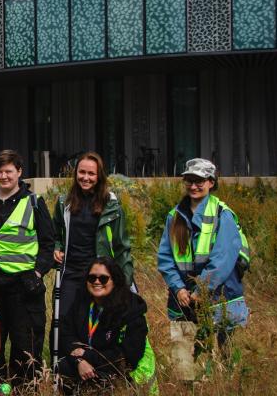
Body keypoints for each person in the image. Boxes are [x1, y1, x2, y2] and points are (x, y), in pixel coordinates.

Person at [157, 158, 250, 382]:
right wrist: (178, 288)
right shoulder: (174, 216)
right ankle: (189, 387)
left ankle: (223, 387)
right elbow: (165, 257)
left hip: (219, 294)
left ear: (211, 182)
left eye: (200, 180)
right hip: (183, 297)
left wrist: (202, 288)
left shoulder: (222, 214)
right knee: (184, 359)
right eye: (189, 180)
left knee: (226, 357)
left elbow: (223, 258)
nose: (194, 185)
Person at [0, 150, 54, 384]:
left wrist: (38, 273)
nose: (4, 176)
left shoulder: (34, 203)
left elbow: (48, 243)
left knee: (25, 346)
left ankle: (23, 389)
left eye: (8, 171)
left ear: (19, 172)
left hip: (23, 287)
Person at [51, 152, 134, 364]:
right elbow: (55, 233)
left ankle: (98, 368)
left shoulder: (111, 204)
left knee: (97, 323)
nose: (85, 178)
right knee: (64, 322)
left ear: (99, 176)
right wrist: (57, 247)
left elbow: (122, 246)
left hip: (98, 276)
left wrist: (125, 280)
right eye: (81, 172)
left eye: (91, 174)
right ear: (75, 174)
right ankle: (64, 369)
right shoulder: (64, 203)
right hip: (70, 273)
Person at [58, 258, 156, 394]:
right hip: (90, 363)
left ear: (114, 280)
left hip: (124, 371)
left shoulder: (130, 309)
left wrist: (87, 355)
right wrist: (79, 361)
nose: (97, 282)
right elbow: (67, 334)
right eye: (92, 278)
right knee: (63, 367)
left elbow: (127, 357)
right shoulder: (82, 302)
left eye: (103, 279)